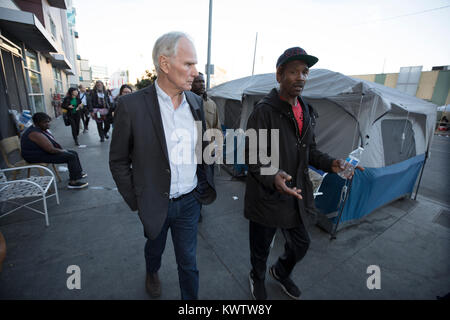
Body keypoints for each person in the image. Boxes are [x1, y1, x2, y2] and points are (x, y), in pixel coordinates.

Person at [244, 47, 364, 300]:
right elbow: (253, 157)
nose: (301, 77)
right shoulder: (263, 111)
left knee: (301, 244)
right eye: (293, 72)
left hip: (295, 194)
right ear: (279, 76)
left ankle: (280, 272)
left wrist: (332, 163)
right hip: (267, 196)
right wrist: (273, 176)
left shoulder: (306, 111)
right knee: (260, 249)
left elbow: (310, 150)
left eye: (305, 72)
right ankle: (257, 277)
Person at [109, 32, 216, 300]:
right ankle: (152, 271)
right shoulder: (130, 105)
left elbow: (201, 148)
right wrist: (137, 199)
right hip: (155, 201)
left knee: (189, 263)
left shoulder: (194, 101)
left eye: (195, 65)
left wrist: (202, 183)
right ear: (165, 64)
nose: (195, 72)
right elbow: (119, 160)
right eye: (188, 64)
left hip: (190, 201)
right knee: (154, 247)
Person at [21, 112, 88, 189]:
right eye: (45, 122)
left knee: (73, 153)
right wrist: (63, 151)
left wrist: (63, 150)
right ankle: (73, 182)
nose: (48, 124)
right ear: (37, 123)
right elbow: (51, 150)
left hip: (39, 152)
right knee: (71, 156)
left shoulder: (37, 129)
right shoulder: (35, 133)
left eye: (48, 121)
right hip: (34, 156)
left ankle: (77, 174)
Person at [190, 72, 221, 223]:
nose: (202, 84)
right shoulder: (185, 103)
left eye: (203, 82)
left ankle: (200, 206)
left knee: (207, 181)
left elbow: (217, 127)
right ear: (191, 84)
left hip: (208, 151)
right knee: (193, 181)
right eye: (198, 82)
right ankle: (195, 209)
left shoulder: (211, 104)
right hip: (191, 152)